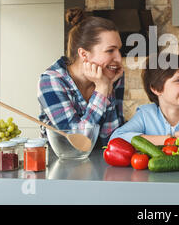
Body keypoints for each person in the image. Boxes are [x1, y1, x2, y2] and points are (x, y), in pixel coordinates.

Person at [37, 8, 125, 147]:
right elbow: (78, 142)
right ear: (84, 54)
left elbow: (110, 139)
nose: (119, 58)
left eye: (119, 50)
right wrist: (102, 90)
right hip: (60, 162)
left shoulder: (112, 75)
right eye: (110, 50)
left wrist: (108, 87)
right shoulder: (52, 81)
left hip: (101, 162)